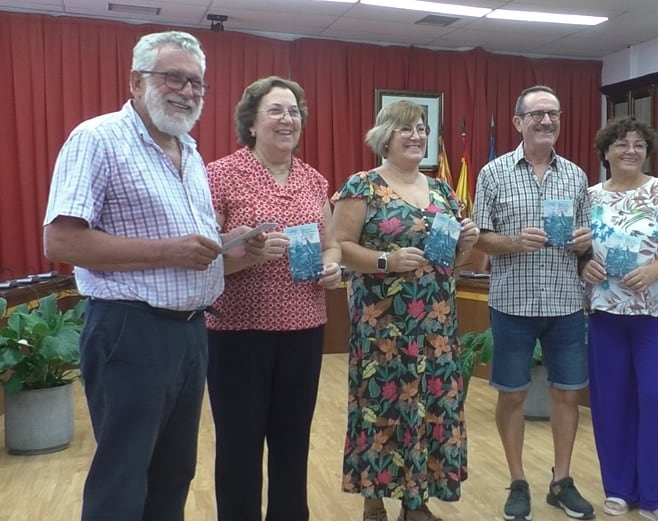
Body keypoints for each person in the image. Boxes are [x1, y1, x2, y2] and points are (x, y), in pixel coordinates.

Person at [42, 31, 265, 521]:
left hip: (191, 333)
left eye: (197, 83)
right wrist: (169, 250)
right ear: (135, 82)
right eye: (174, 77)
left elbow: (193, 258)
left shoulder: (190, 152)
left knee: (173, 475)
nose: (187, 91)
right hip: (129, 331)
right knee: (123, 477)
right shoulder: (97, 139)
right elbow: (60, 242)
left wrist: (238, 251)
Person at [332, 100, 478, 521]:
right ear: (385, 136)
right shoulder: (363, 186)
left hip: (435, 328)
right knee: (383, 408)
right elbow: (340, 246)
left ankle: (417, 501)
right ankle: (374, 498)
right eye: (406, 129)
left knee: (430, 408)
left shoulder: (443, 191)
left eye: (421, 128)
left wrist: (466, 241)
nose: (416, 136)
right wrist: (386, 262)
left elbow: (456, 261)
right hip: (383, 328)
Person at [205, 76, 343, 521]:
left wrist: (333, 266)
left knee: (292, 441)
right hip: (236, 331)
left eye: (294, 111)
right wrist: (248, 253)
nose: (288, 119)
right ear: (251, 123)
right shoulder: (220, 174)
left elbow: (331, 243)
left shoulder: (314, 180)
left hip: (304, 327)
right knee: (239, 444)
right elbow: (205, 258)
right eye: (277, 111)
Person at [472, 85, 595, 521]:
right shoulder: (493, 173)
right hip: (512, 305)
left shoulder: (578, 176)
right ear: (518, 122)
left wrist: (585, 241)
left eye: (554, 114)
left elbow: (586, 247)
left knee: (567, 395)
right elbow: (479, 239)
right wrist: (512, 241)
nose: (547, 121)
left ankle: (560, 482)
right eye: (538, 114)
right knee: (512, 395)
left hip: (565, 304)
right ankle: (518, 480)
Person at [579, 117, 658, 521]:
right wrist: (584, 264)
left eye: (638, 144)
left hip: (656, 313)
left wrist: (655, 270)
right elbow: (574, 247)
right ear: (605, 152)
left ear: (648, 151)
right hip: (605, 312)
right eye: (620, 144)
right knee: (610, 401)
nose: (630, 150)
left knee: (653, 397)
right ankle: (618, 488)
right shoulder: (590, 196)